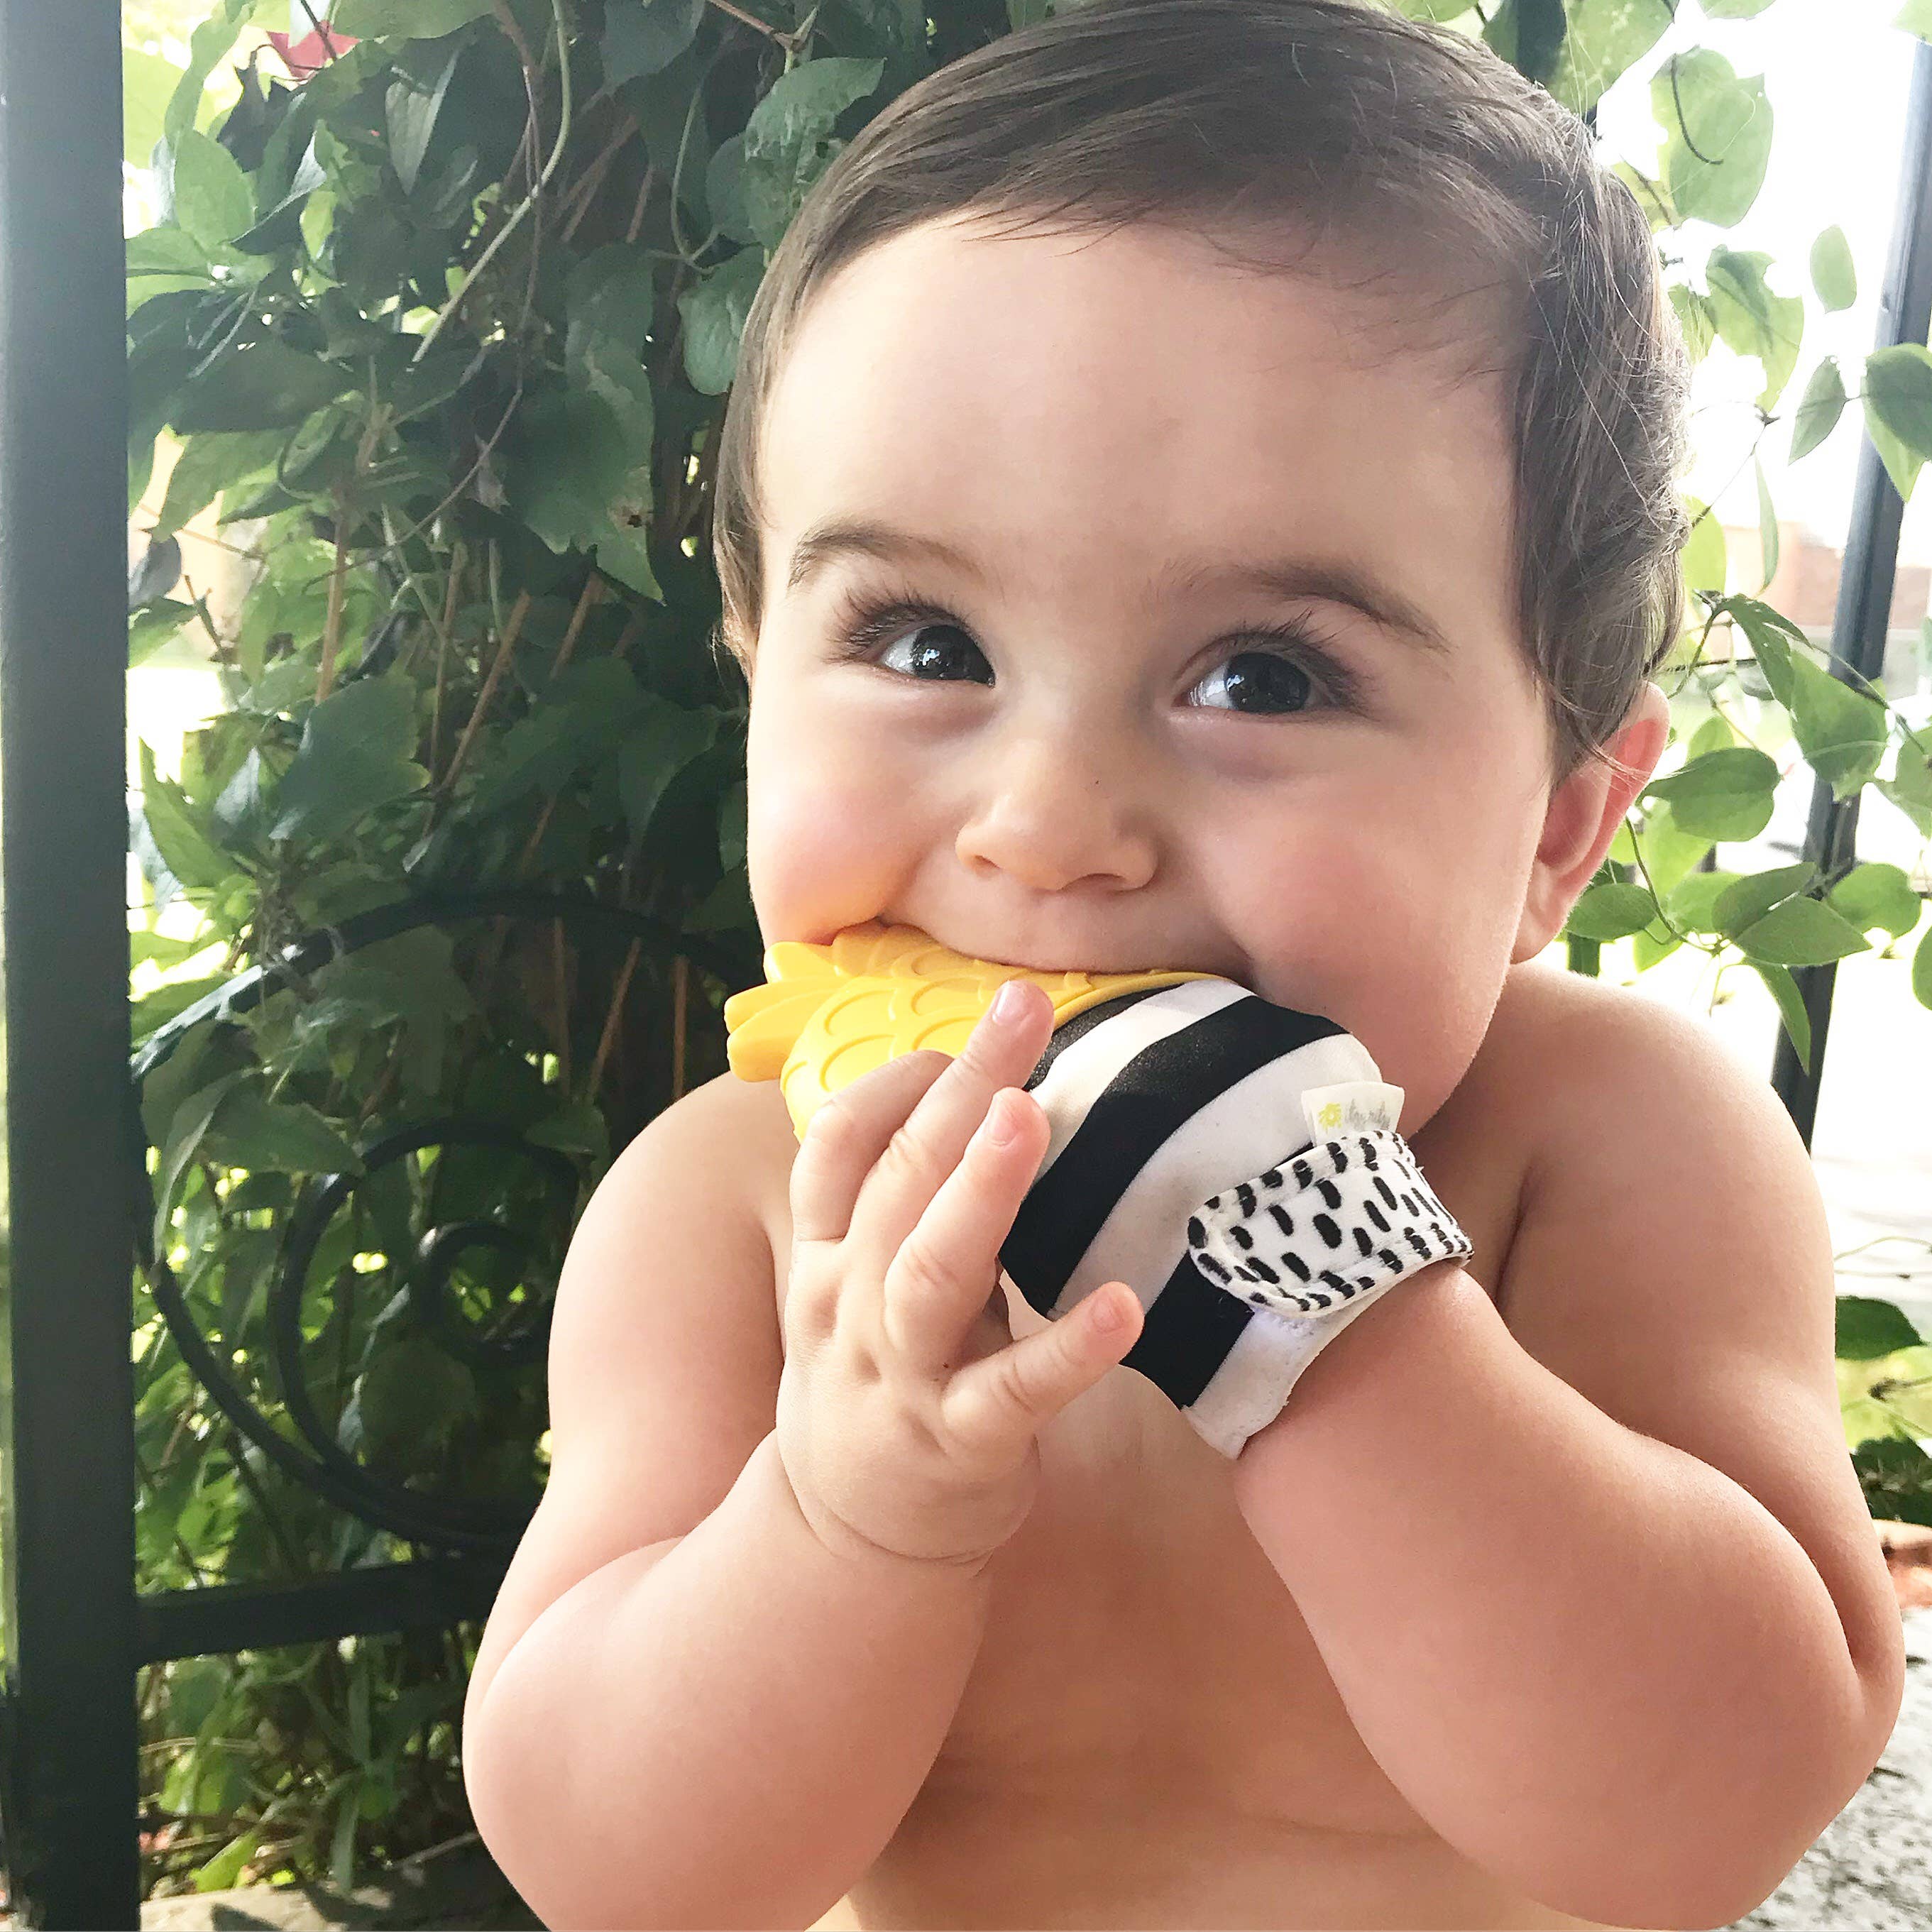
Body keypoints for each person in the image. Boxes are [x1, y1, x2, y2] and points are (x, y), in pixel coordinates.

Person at [459, 3, 1906, 1926]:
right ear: (755, 668)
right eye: (923, 642)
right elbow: (620, 1873)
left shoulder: (1609, 1142)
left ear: (1557, 831)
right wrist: (839, 1513)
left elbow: (1706, 1815)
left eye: (1264, 677)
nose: (1048, 826)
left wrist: (1331, 1311)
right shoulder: (731, 1210)